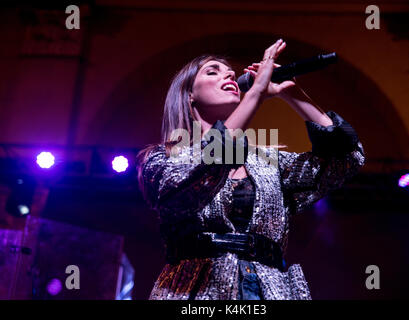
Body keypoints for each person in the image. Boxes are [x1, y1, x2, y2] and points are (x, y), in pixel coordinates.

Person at [137, 39, 365, 300]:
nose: (230, 74)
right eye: (212, 71)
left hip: (270, 291)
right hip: (195, 292)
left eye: (230, 72)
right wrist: (254, 94)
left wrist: (292, 92)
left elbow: (346, 158)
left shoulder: (269, 163)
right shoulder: (163, 159)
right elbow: (200, 169)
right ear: (189, 94)